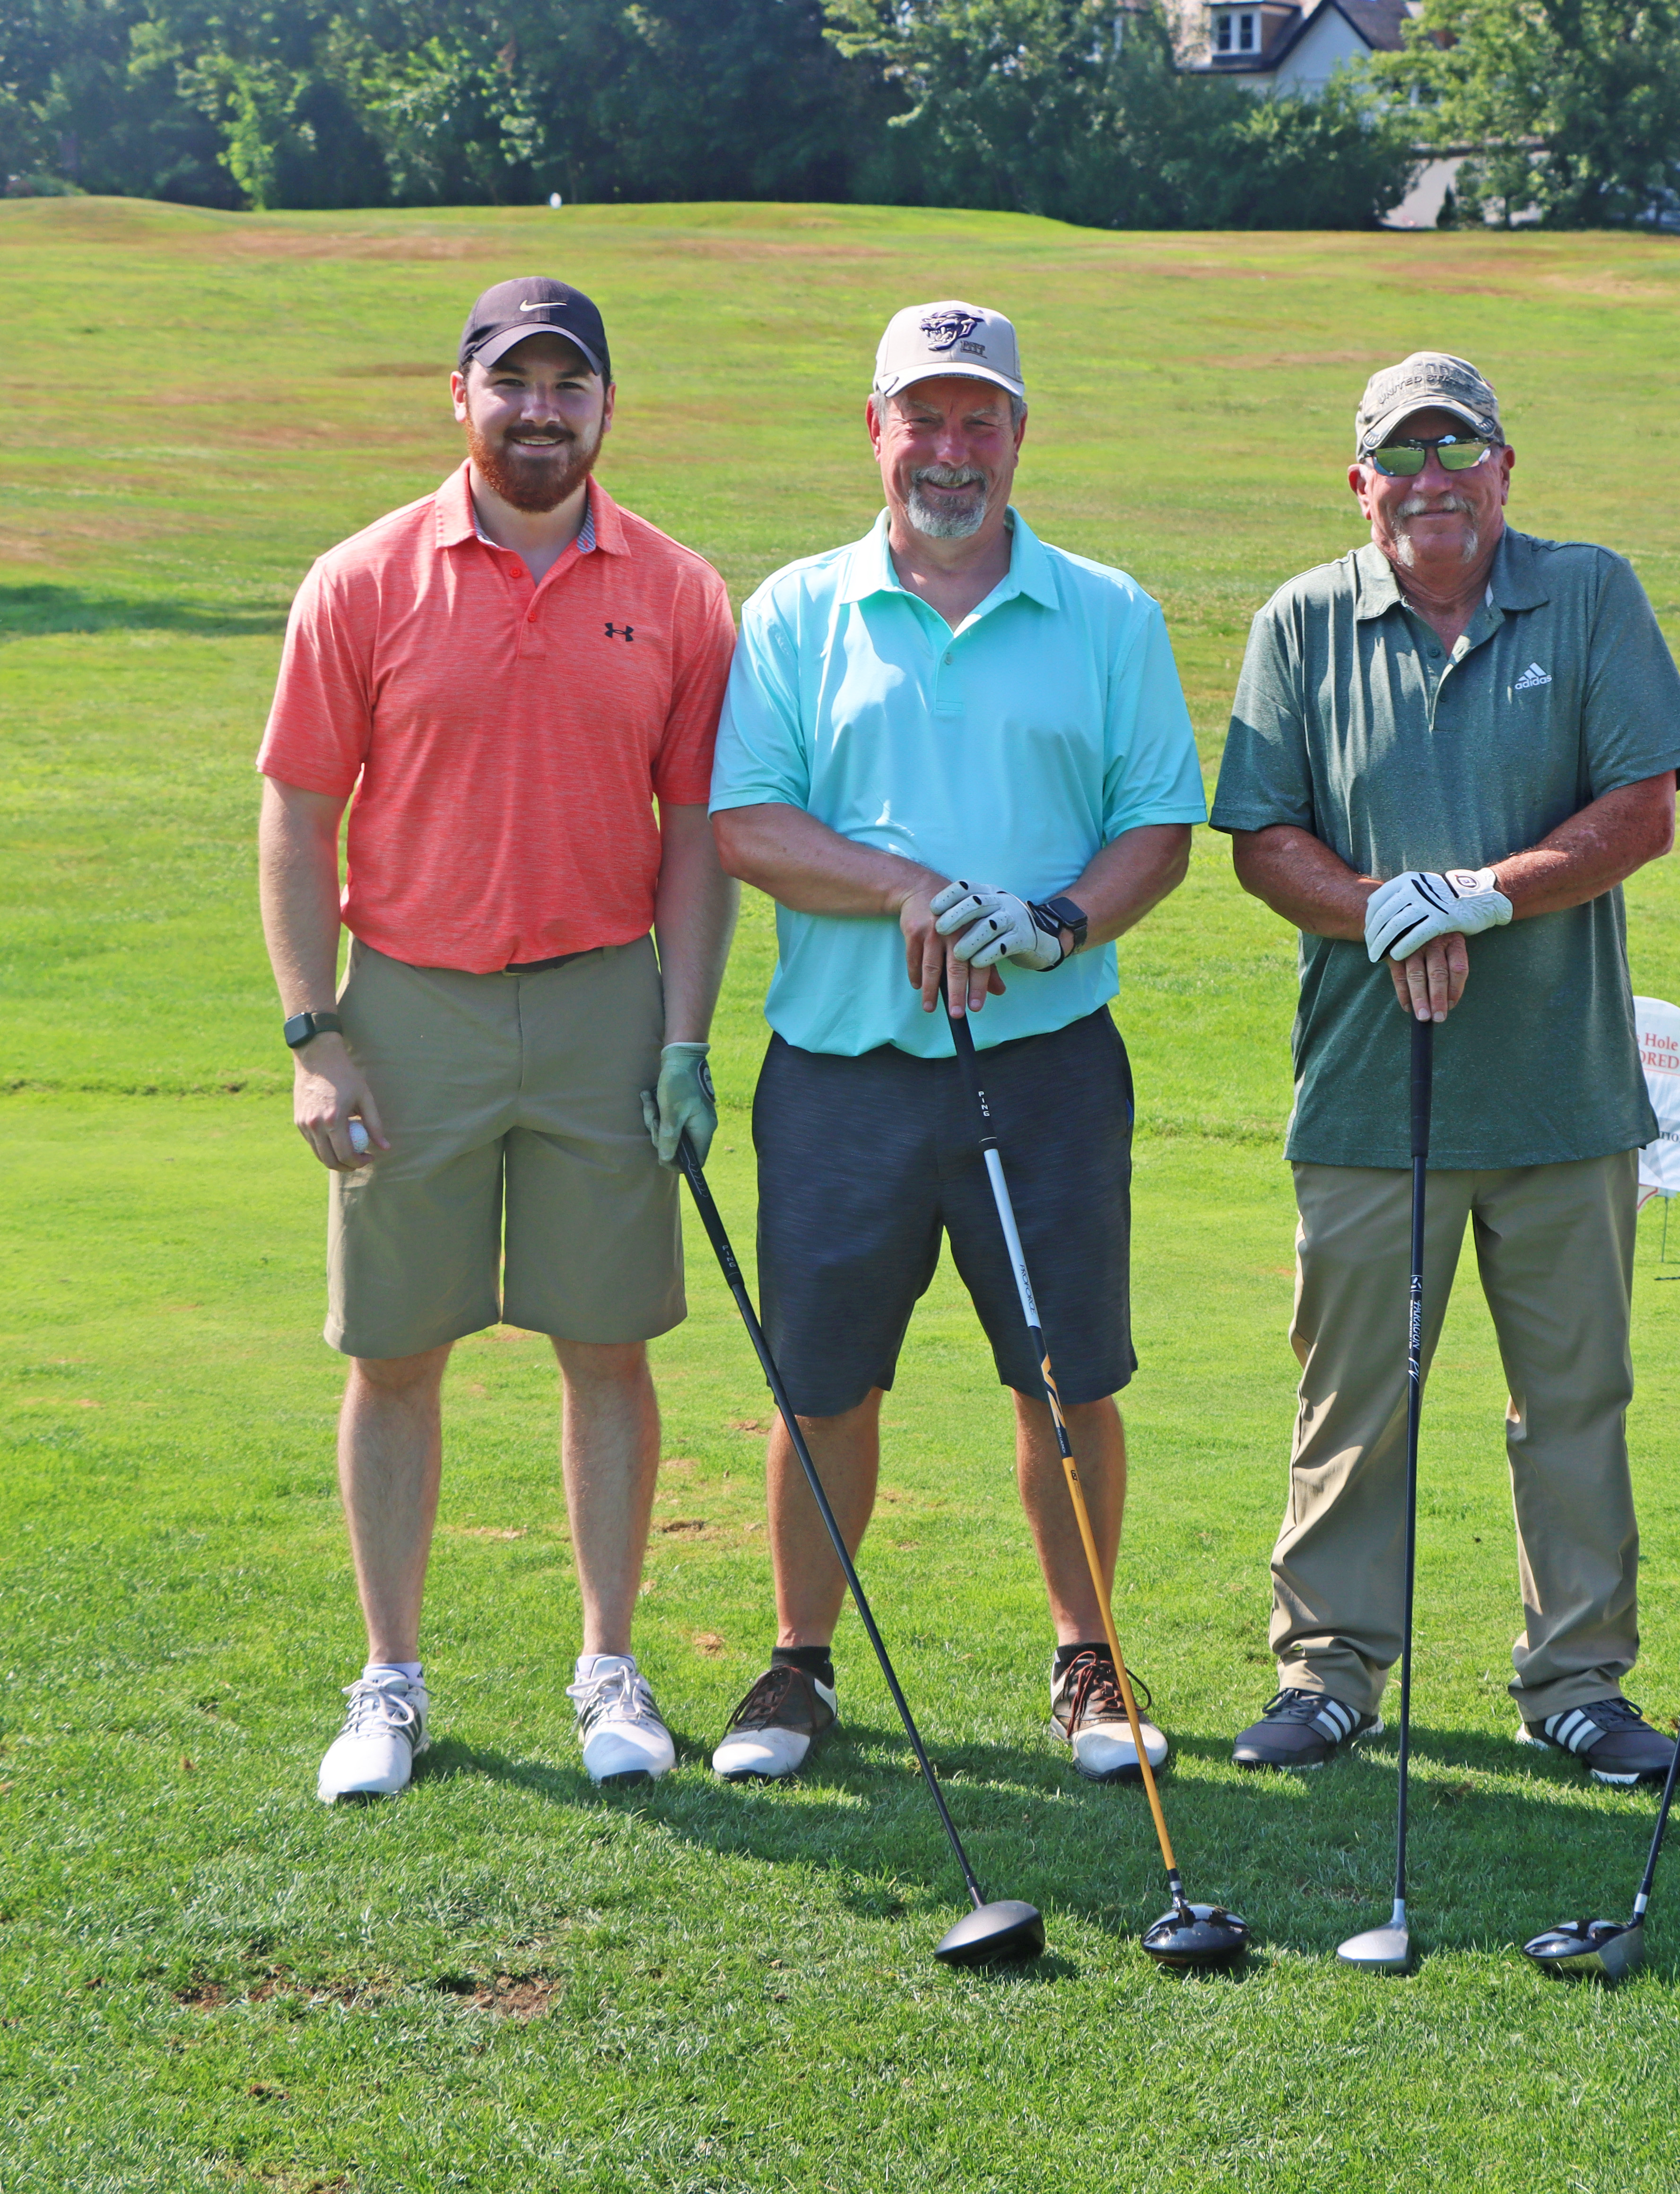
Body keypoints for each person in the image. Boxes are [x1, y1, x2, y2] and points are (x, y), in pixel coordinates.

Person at [704, 301, 1208, 1785]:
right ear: (876, 433)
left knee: (1066, 1379)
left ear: (1019, 438)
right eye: (922, 418)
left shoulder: (1105, 613)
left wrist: (1052, 921)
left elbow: (1157, 830)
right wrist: (910, 888)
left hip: (1045, 1066)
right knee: (821, 1385)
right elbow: (749, 825)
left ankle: (1090, 1662)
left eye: (979, 419)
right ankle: (801, 1666)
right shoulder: (797, 612)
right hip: (843, 1073)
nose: (950, 449)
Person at [258, 276, 740, 1802]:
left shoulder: (676, 590)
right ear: (456, 396)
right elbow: (296, 814)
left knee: (607, 1348)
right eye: (512, 382)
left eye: (570, 385)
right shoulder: (363, 578)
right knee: (396, 1354)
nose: (542, 411)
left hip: (606, 999)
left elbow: (698, 837)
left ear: (607, 406)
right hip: (406, 1002)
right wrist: (314, 1031)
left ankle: (609, 1669)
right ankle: (389, 1683)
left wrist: (682, 1036)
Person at [1210, 353, 1680, 1787]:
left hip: (1564, 1095)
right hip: (1373, 1098)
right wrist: (1380, 908)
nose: (1434, 481)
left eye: (1461, 451)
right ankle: (1329, 1670)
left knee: (1573, 1398)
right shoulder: (1303, 623)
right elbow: (1263, 838)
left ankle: (1576, 1682)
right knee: (1352, 1395)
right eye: (1403, 458)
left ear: (1505, 467)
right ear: (1360, 483)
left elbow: (1642, 811)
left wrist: (1482, 893)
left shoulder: (1591, 592)